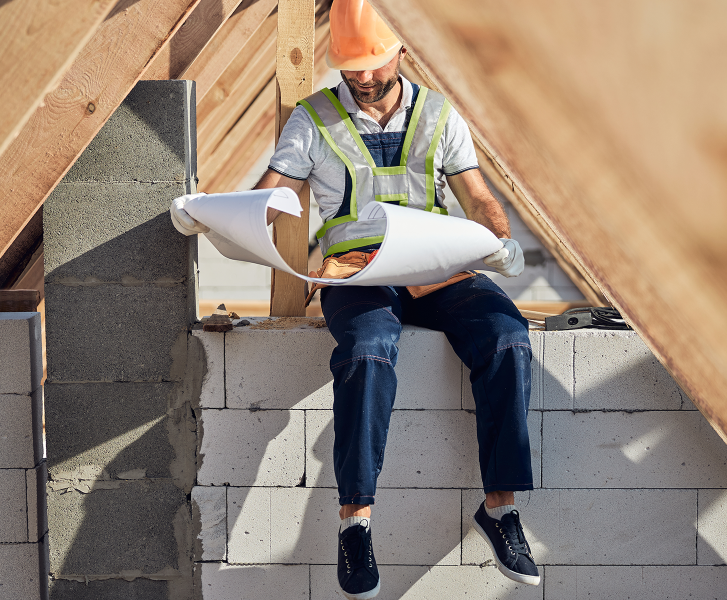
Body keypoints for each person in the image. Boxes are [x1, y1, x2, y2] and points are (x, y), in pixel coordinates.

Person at [171, 0, 540, 597]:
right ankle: (355, 523)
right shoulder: (312, 120)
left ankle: (500, 510)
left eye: (372, 65)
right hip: (358, 273)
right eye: (351, 67)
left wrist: (497, 243)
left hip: (436, 268)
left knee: (507, 336)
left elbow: (477, 197)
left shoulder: (439, 115)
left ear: (402, 52)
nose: (363, 78)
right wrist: (210, 213)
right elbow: (274, 193)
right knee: (368, 351)